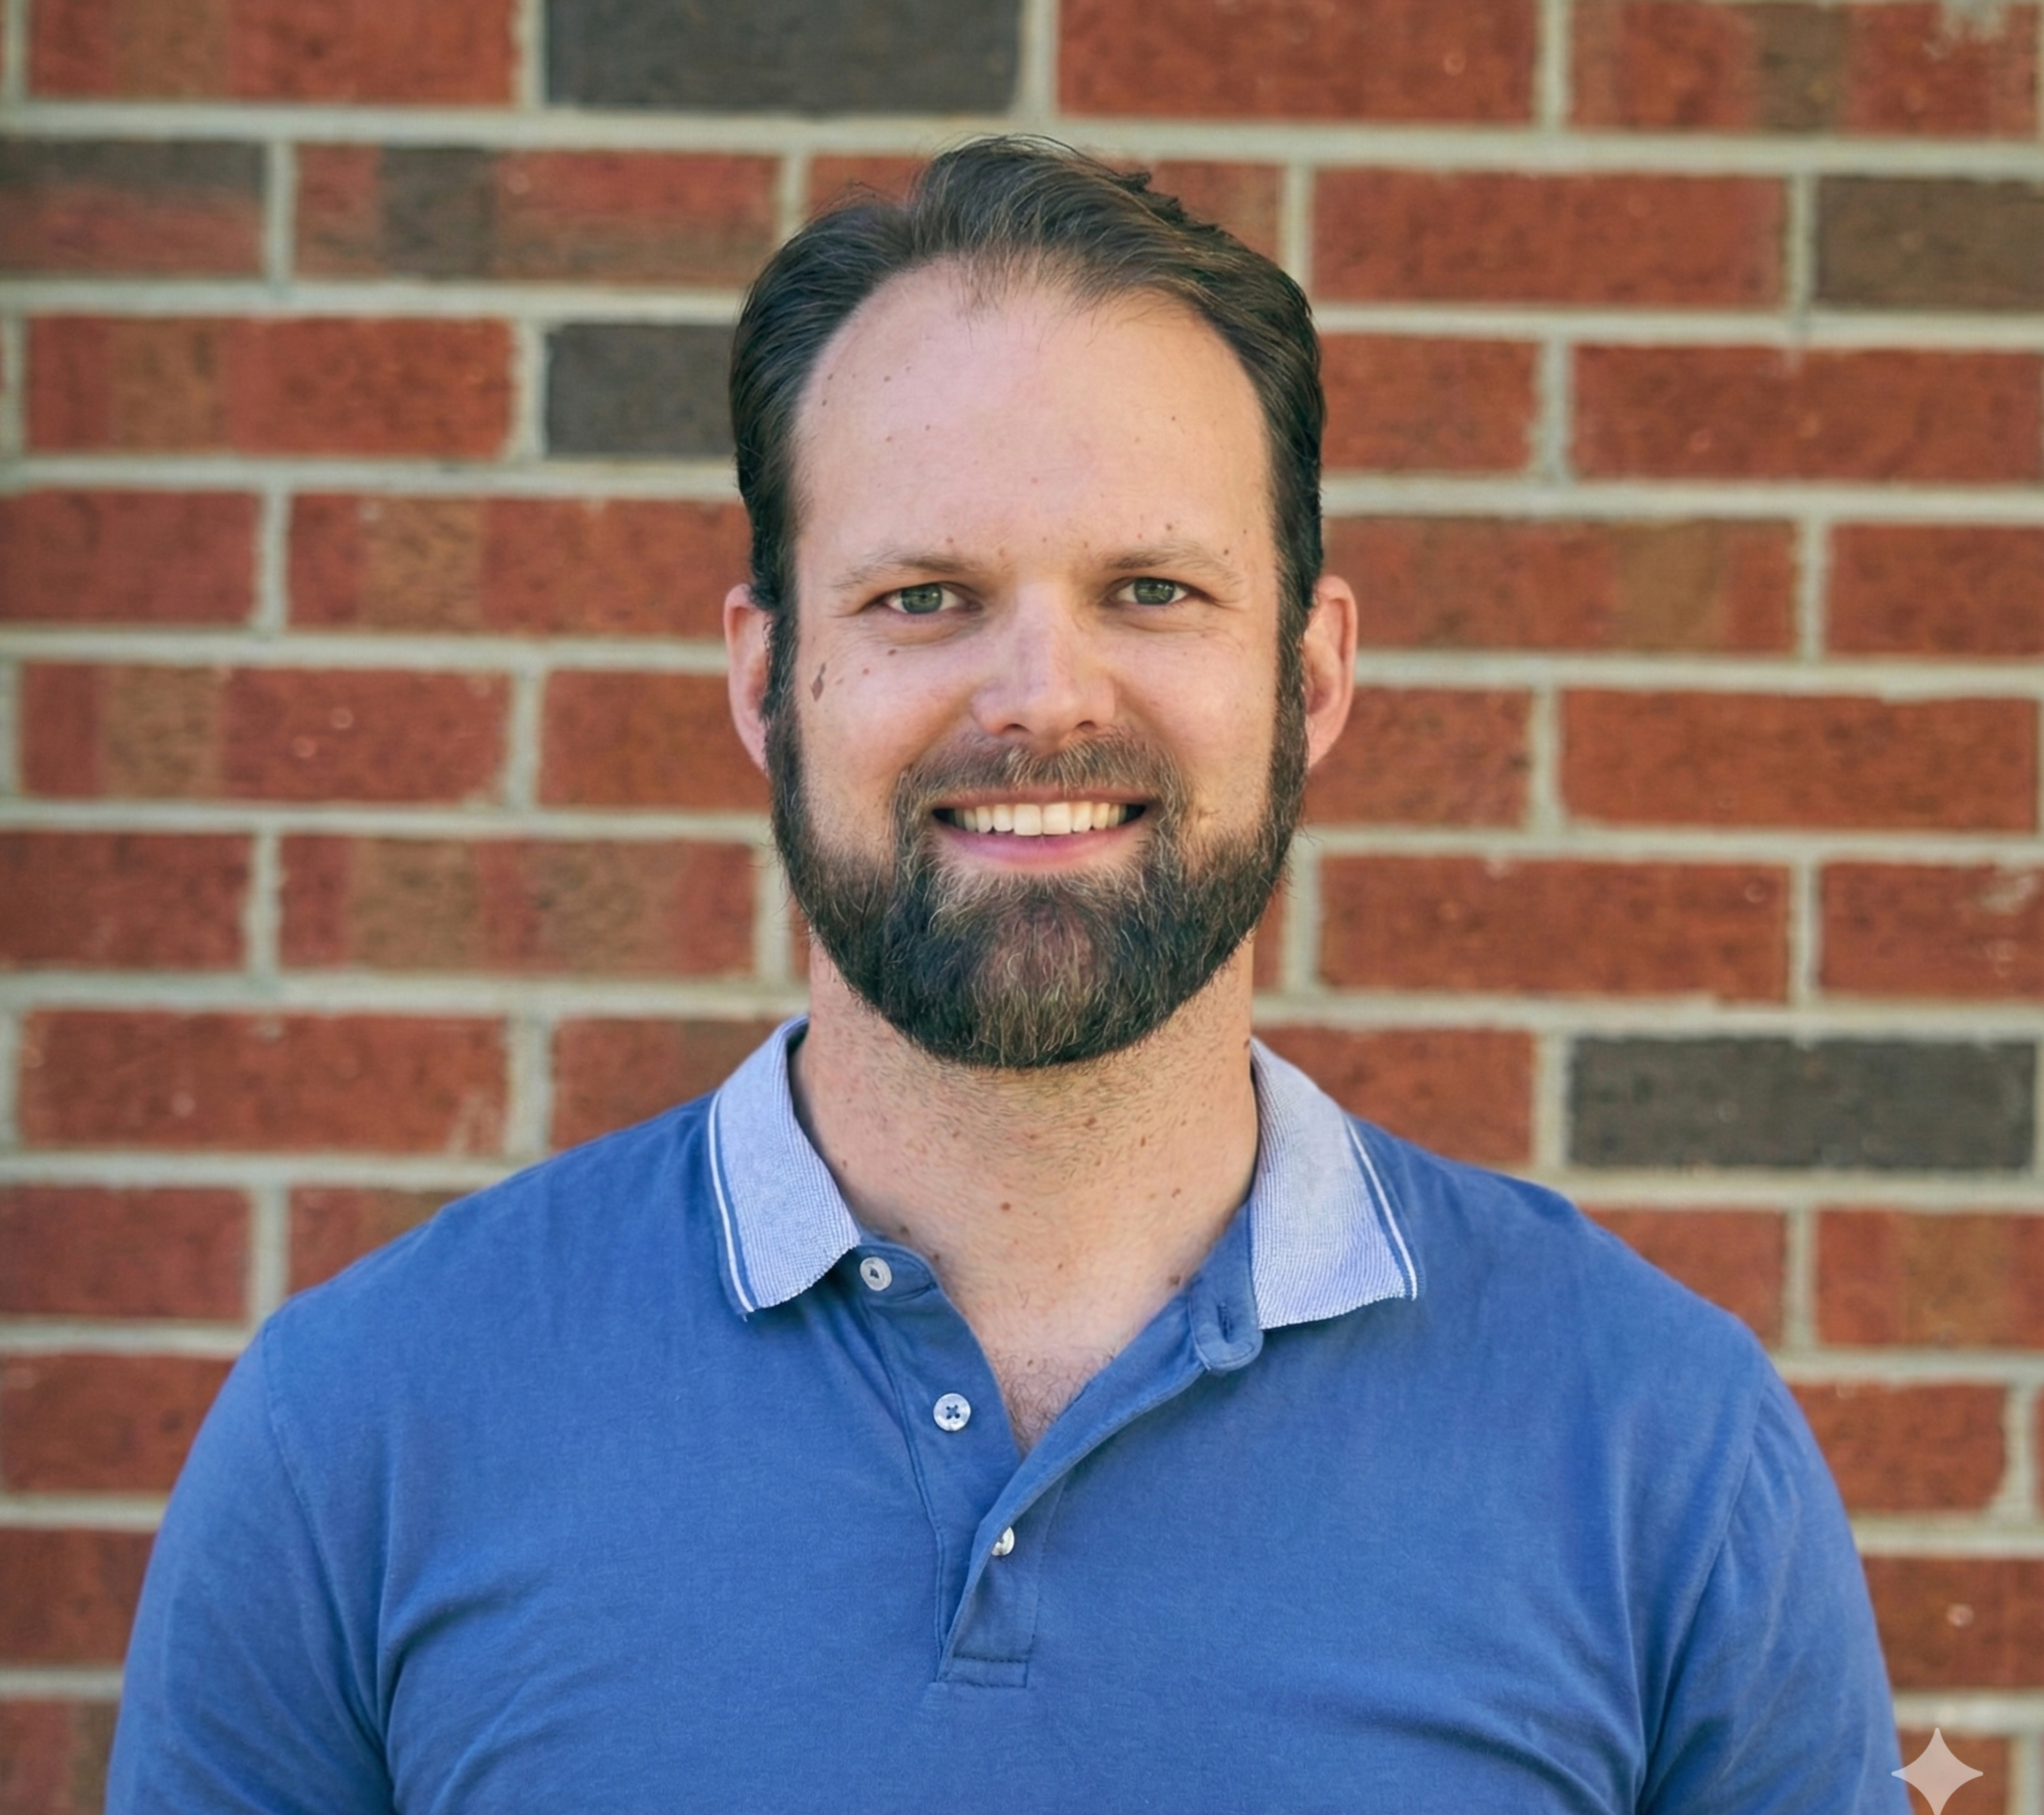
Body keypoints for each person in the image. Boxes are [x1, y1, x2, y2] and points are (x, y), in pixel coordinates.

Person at [109, 138, 1906, 1812]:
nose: (1042, 696)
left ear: (1314, 671)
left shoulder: (1660, 1450)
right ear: (763, 675)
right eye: (924, 596)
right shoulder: (364, 1433)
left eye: (1151, 590)